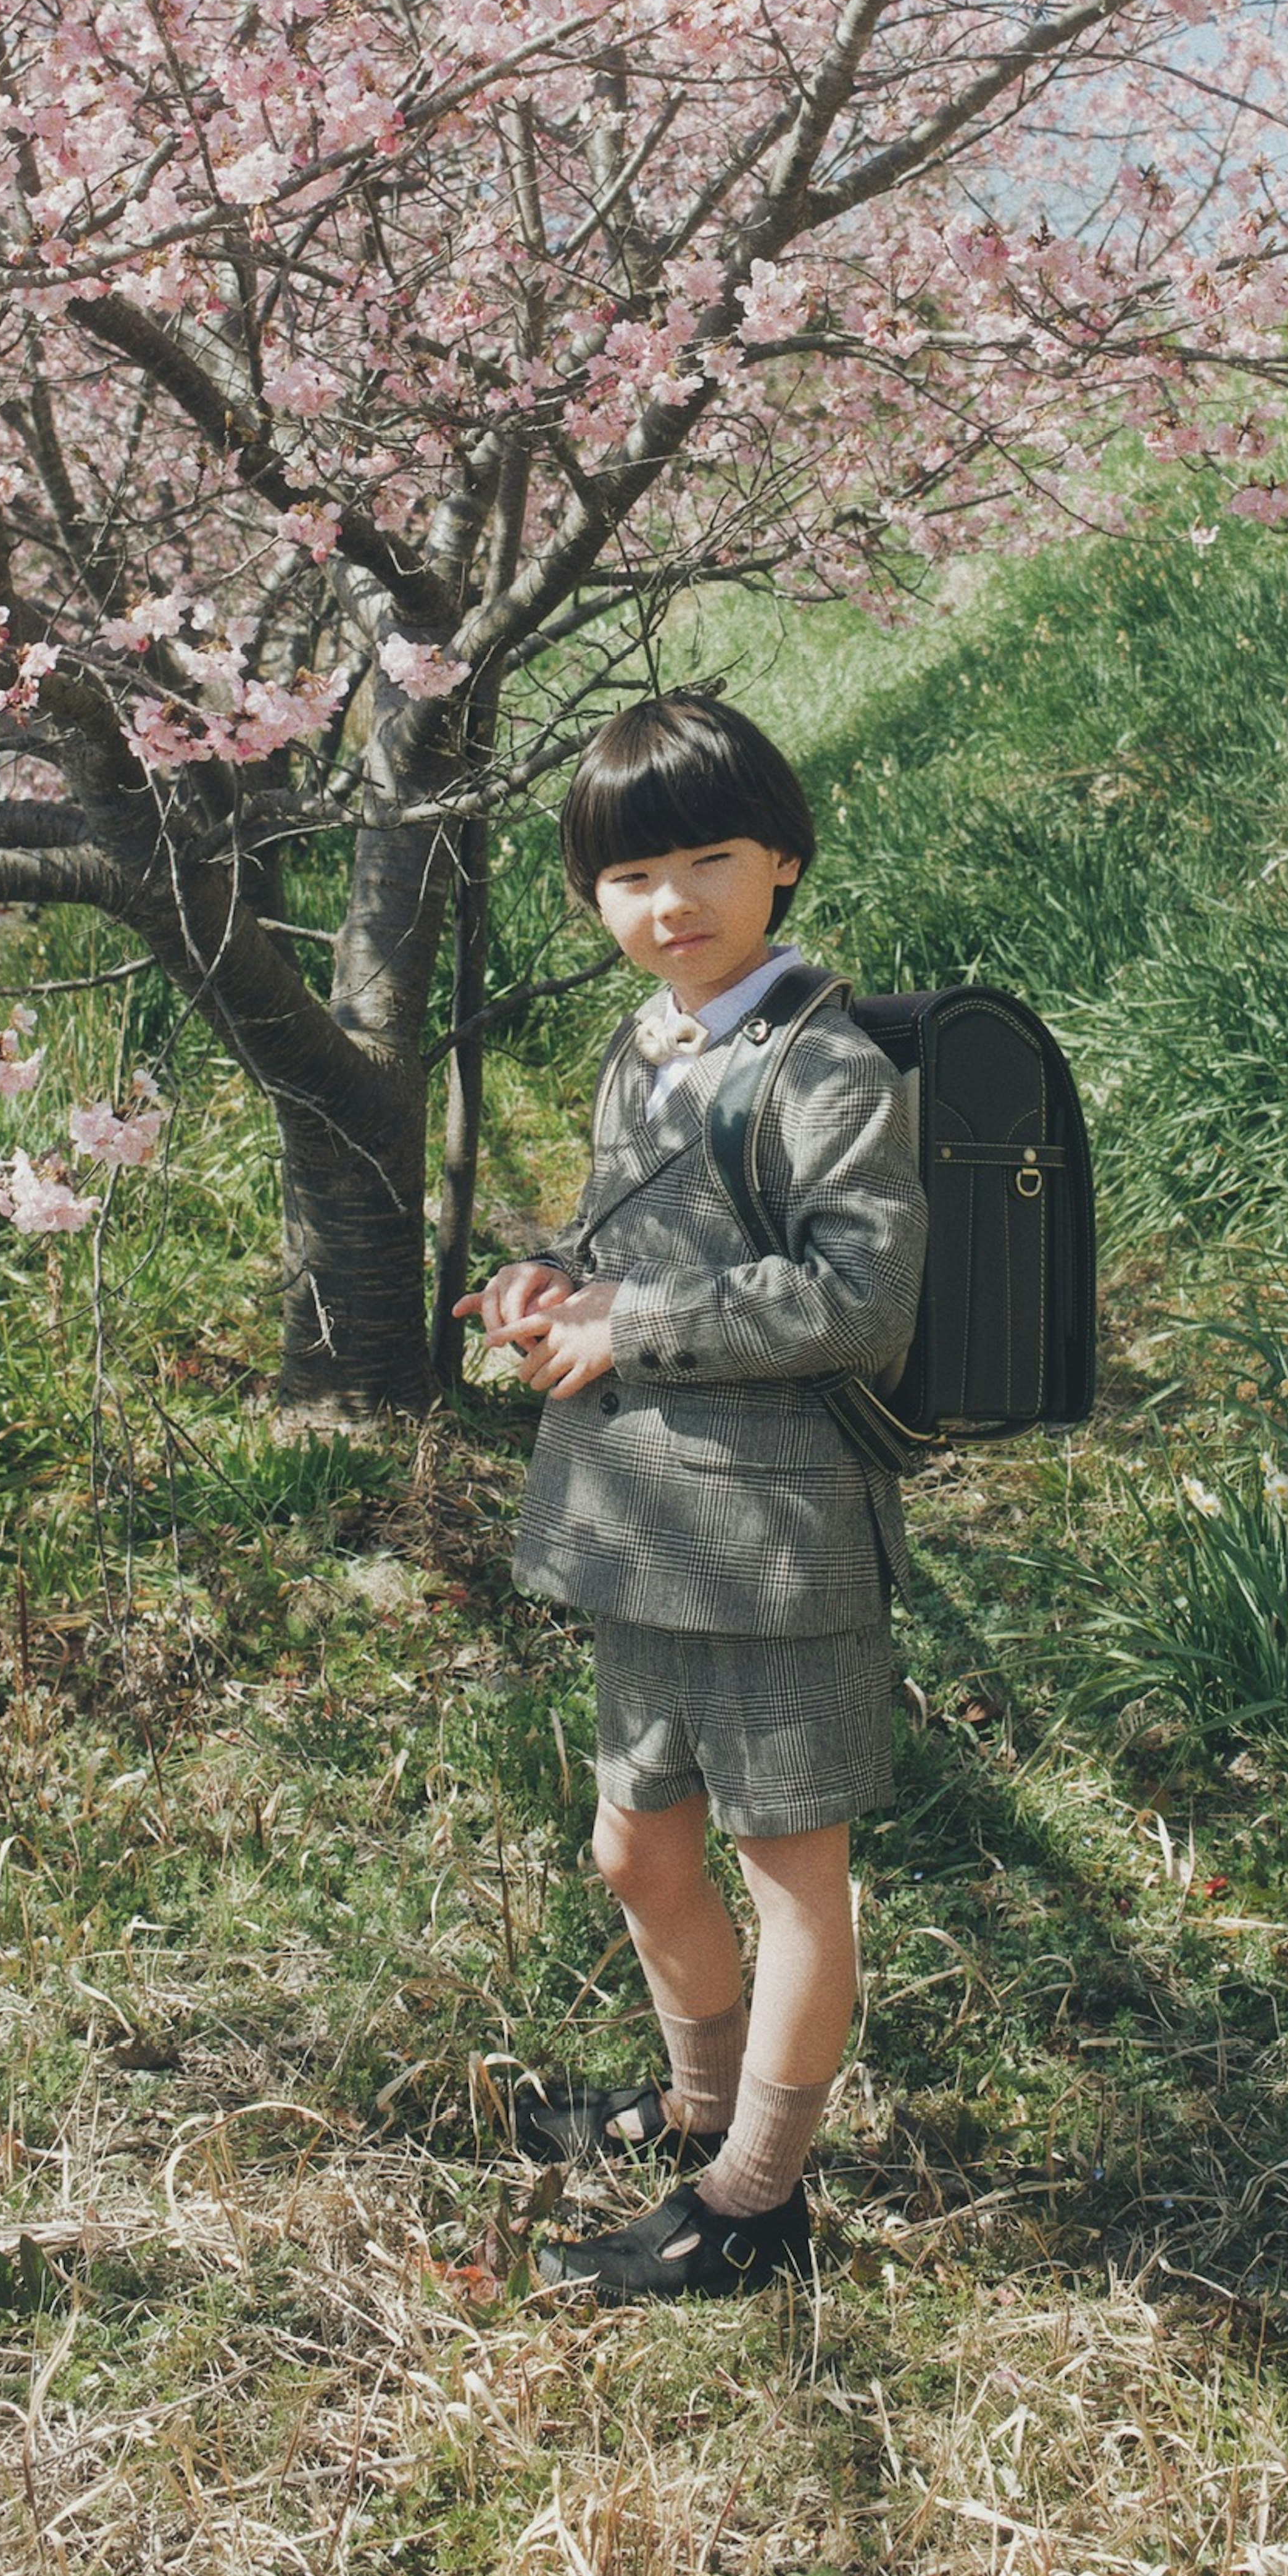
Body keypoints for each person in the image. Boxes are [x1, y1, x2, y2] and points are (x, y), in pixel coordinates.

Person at [455, 690, 926, 2301]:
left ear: (781, 859)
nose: (673, 904)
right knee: (637, 1850)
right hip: (644, 1522)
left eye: (709, 861)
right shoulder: (645, 1043)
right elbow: (630, 1240)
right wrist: (549, 1283)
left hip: (782, 1537)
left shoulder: (825, 1058)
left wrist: (630, 1327)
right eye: (631, 878)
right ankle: (695, 2102)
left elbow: (865, 1299)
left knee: (791, 1865)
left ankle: (754, 2198)